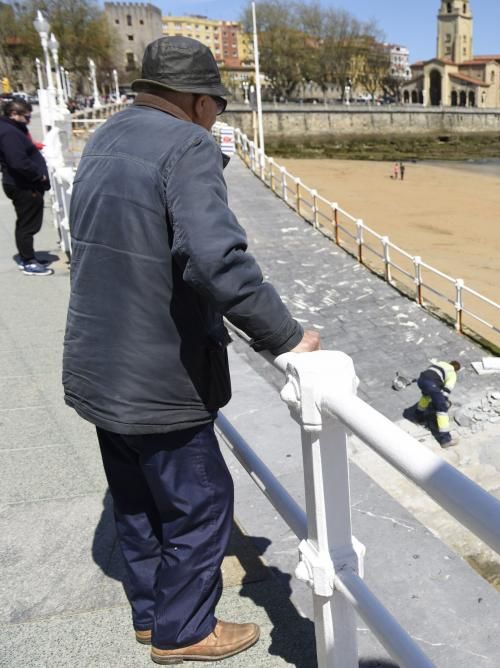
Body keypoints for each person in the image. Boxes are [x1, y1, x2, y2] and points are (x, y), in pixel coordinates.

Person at [62, 36, 321, 664]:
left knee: (136, 498)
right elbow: (216, 260)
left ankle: (153, 616)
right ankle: (184, 631)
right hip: (158, 371)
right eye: (218, 109)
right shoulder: (189, 144)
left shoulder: (107, 135)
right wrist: (287, 337)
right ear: (202, 102)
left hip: (97, 359)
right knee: (201, 499)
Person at [0, 98, 52, 275]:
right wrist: (39, 176)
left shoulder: (11, 129)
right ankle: (29, 261)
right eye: (27, 117)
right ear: (14, 114)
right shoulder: (9, 133)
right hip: (23, 185)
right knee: (27, 225)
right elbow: (18, 162)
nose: (29, 120)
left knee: (26, 223)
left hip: (22, 183)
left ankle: (27, 256)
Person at [412, 359, 461, 446]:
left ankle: (418, 418)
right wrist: (442, 403)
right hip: (431, 384)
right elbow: (446, 391)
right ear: (456, 370)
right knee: (442, 410)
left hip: (421, 380)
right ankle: (445, 440)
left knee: (426, 397)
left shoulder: (441, 363)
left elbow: (434, 376)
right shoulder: (452, 373)